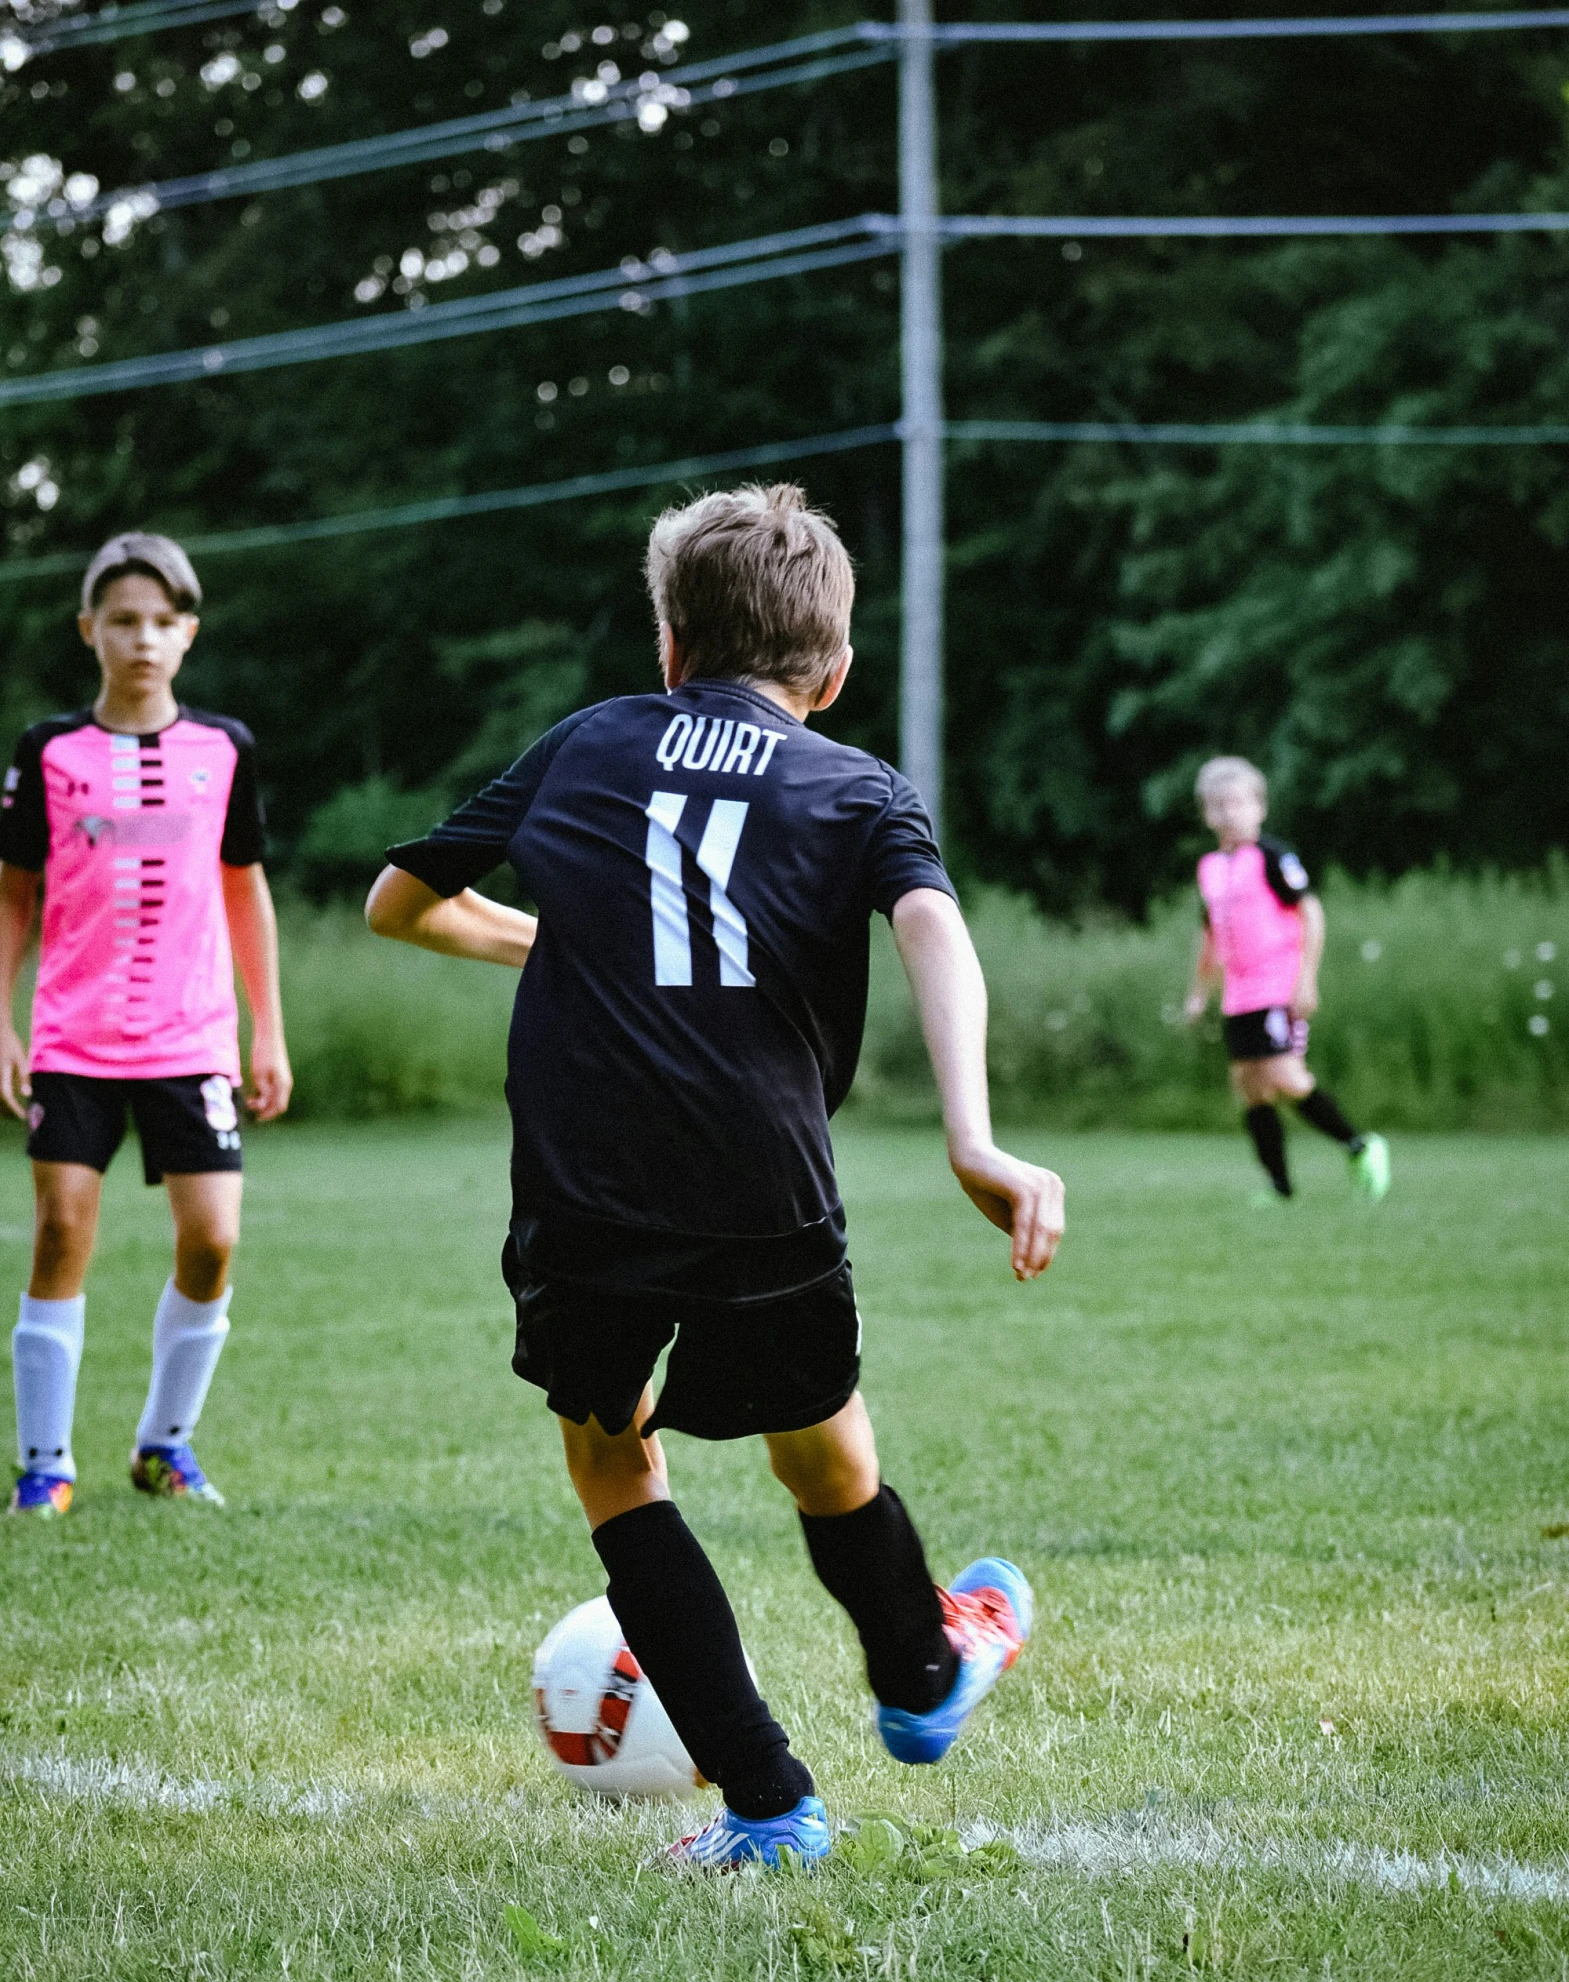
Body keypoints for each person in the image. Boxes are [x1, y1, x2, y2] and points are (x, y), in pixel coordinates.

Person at [367, 482, 1065, 1869]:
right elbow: (934, 926)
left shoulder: (590, 739)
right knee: (826, 1450)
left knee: (616, 1460)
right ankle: (922, 1677)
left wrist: (539, 943)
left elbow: (401, 899)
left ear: (669, 647)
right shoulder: (859, 784)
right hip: (764, 1179)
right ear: (834, 668)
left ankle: (767, 1803)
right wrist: (972, 1136)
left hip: (586, 1183)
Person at [0, 531, 292, 1515]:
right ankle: (45, 1466)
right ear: (90, 630)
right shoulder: (48, 752)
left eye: (163, 621)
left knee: (212, 1242)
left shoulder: (225, 749)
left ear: (188, 634)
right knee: (60, 1227)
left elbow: (245, 889)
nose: (142, 638)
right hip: (74, 1037)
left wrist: (269, 1031)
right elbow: (12, 895)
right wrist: (1, 1020)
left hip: (193, 1037)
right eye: (123, 619)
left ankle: (166, 1446)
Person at [1184, 755, 1388, 1204]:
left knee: (1286, 1077)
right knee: (1249, 1088)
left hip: (1276, 984)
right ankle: (1280, 1187)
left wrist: (1306, 978)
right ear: (1206, 813)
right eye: (1217, 805)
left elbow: (1311, 913)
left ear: (1259, 807)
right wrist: (1199, 992)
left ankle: (1360, 1145)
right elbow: (1211, 935)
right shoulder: (1211, 869)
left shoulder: (1273, 857)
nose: (1228, 812)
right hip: (1237, 995)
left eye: (1237, 802)